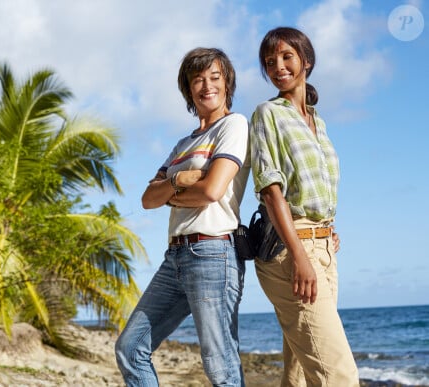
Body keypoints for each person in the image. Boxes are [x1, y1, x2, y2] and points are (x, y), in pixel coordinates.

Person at [115, 47, 250, 386]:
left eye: (214, 78)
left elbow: (211, 191)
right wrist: (178, 179)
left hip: (213, 252)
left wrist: (171, 195)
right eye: (197, 80)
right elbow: (148, 199)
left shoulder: (233, 125)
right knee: (130, 347)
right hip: (175, 256)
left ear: (227, 82)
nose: (207, 86)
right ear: (188, 89)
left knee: (220, 365)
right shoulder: (182, 145)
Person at [250, 26, 359, 386]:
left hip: (323, 248)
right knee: (339, 375)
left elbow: (316, 188)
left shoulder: (319, 123)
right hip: (290, 251)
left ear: (306, 61)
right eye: (270, 61)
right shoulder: (268, 114)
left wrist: (326, 229)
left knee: (298, 373)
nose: (278, 66)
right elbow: (270, 189)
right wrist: (300, 253)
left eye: (286, 56)